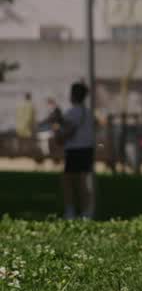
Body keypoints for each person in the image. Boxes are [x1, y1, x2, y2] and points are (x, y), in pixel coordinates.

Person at [53, 81, 96, 219]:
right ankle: (86, 211)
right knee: (82, 181)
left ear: (73, 95)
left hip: (76, 150)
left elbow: (67, 129)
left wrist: (58, 122)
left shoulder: (73, 112)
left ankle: (72, 211)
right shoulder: (87, 112)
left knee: (69, 182)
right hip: (87, 149)